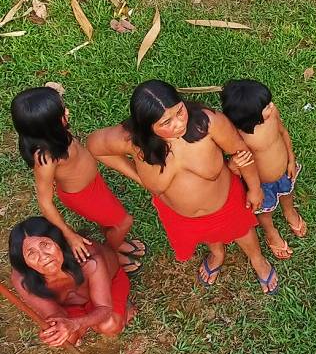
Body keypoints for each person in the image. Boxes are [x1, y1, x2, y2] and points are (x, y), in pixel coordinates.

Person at [87, 80, 278, 293]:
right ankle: (217, 253)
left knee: (243, 232)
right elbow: (95, 146)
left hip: (225, 203)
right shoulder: (132, 141)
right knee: (207, 236)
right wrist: (139, 177)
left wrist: (254, 189)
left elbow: (241, 153)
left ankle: (257, 259)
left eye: (180, 111)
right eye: (165, 122)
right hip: (180, 215)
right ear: (146, 127)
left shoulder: (208, 123)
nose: (178, 124)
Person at [11, 86, 145, 273]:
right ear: (48, 126)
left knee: (108, 220)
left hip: (93, 184)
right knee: (124, 222)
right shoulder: (45, 159)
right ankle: (111, 253)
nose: (67, 111)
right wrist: (69, 234)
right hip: (83, 196)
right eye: (62, 113)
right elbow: (45, 203)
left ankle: (114, 241)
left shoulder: (57, 136)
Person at [8, 217, 133, 346]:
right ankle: (85, 320)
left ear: (59, 241)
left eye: (45, 245)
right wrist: (59, 327)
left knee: (109, 325)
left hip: (108, 287)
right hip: (68, 306)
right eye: (31, 253)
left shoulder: (89, 259)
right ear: (24, 262)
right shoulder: (23, 280)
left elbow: (104, 309)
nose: (44, 257)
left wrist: (76, 324)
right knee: (66, 338)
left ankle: (123, 306)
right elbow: (54, 314)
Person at [221, 80, 307, 260]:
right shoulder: (239, 138)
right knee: (264, 211)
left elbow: (283, 133)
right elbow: (235, 170)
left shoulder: (272, 114)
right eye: (267, 106)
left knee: (287, 193)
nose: (272, 106)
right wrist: (232, 166)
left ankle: (288, 211)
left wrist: (291, 159)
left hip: (284, 171)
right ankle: (271, 232)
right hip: (261, 185)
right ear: (249, 117)